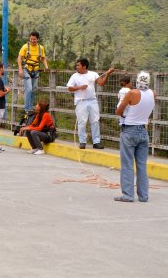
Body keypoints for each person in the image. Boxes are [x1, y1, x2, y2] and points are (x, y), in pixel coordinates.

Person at [114, 71, 156, 203]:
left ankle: (128, 195)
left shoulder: (131, 93)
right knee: (142, 165)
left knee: (127, 164)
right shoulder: (153, 93)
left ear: (137, 81)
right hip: (143, 131)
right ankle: (143, 196)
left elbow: (118, 111)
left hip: (129, 131)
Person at [67, 58, 114, 149]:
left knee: (95, 121)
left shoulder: (93, 74)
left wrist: (107, 73)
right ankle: (82, 141)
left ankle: (96, 142)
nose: (77, 67)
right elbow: (69, 88)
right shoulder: (74, 76)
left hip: (92, 100)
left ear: (84, 66)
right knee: (82, 122)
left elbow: (101, 83)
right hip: (81, 101)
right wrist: (80, 87)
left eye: (78, 65)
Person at [18, 31, 49, 113]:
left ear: (37, 39)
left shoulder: (40, 48)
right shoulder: (25, 47)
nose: (32, 40)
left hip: (35, 70)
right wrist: (20, 69)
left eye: (34, 39)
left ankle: (31, 107)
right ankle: (27, 109)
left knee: (34, 89)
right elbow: (19, 58)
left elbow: (43, 58)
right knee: (29, 89)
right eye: (31, 39)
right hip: (26, 69)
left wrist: (46, 67)